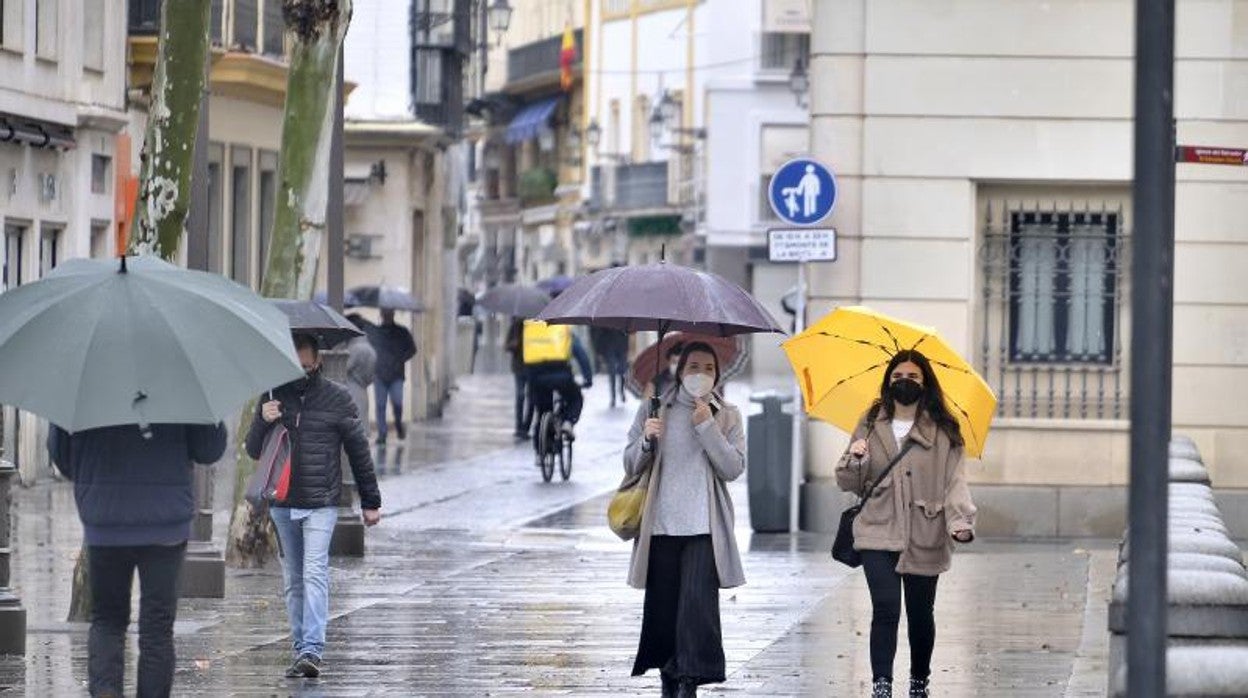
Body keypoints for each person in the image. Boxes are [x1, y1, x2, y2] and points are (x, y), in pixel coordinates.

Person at [47, 419, 227, 698]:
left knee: (107, 620)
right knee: (157, 629)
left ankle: (106, 690)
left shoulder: (84, 382)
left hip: (106, 518)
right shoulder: (179, 381)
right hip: (164, 522)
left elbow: (63, 458)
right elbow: (208, 449)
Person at [835, 349, 977, 698]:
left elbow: (955, 480)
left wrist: (960, 521)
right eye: (897, 377)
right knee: (885, 607)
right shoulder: (869, 422)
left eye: (913, 377)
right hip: (877, 527)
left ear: (925, 382)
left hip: (925, 530)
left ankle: (918, 681)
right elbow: (847, 482)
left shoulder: (944, 430)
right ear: (888, 381)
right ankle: (881, 683)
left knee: (919, 612)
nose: (904, 383)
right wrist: (856, 459)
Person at [245, 333, 382, 680]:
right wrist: (264, 418)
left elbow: (358, 451)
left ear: (318, 362)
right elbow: (252, 449)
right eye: (295, 365)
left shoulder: (338, 398)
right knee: (294, 579)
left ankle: (312, 650)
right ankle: (299, 648)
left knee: (314, 572)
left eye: (306, 365)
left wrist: (370, 501)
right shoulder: (273, 395)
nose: (301, 371)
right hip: (283, 501)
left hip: (321, 501)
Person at [624, 342, 746, 697]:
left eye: (709, 368)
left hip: (704, 527)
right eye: (694, 366)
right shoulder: (654, 408)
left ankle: (689, 679)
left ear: (717, 374)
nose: (701, 374)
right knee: (663, 607)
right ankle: (669, 673)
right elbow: (630, 464)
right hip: (660, 524)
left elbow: (733, 468)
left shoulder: (728, 414)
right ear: (679, 369)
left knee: (697, 608)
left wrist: (707, 426)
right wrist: (647, 440)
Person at [524, 321, 593, 440]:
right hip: (561, 375)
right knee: (575, 398)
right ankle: (567, 422)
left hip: (537, 377)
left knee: (542, 412)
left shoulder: (531, 329)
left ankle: (540, 448)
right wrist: (588, 378)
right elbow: (581, 354)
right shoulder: (563, 329)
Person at [369, 308, 416, 445]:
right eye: (385, 314)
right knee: (380, 405)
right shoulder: (375, 332)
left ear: (393, 314)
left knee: (397, 403)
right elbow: (370, 349)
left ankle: (398, 424)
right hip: (379, 375)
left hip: (396, 375)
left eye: (389, 314)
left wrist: (400, 359)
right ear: (382, 315)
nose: (387, 316)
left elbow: (412, 349)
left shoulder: (402, 332)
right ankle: (382, 434)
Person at [343, 314, 377, 435]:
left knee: (354, 426)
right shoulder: (370, 348)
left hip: (352, 389)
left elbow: (343, 368)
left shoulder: (355, 348)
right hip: (362, 389)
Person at [505, 317, 534, 439]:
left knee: (532, 398)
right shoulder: (516, 326)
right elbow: (506, 346)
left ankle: (526, 427)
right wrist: (514, 344)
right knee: (520, 396)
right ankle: (519, 427)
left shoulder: (536, 325)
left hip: (533, 366)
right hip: (519, 367)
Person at [595, 327, 631, 409]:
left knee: (622, 371)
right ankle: (613, 397)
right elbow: (600, 333)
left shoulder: (622, 318)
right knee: (612, 373)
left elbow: (627, 332)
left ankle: (622, 392)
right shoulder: (605, 318)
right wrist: (599, 351)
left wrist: (627, 348)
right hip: (609, 347)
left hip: (621, 347)